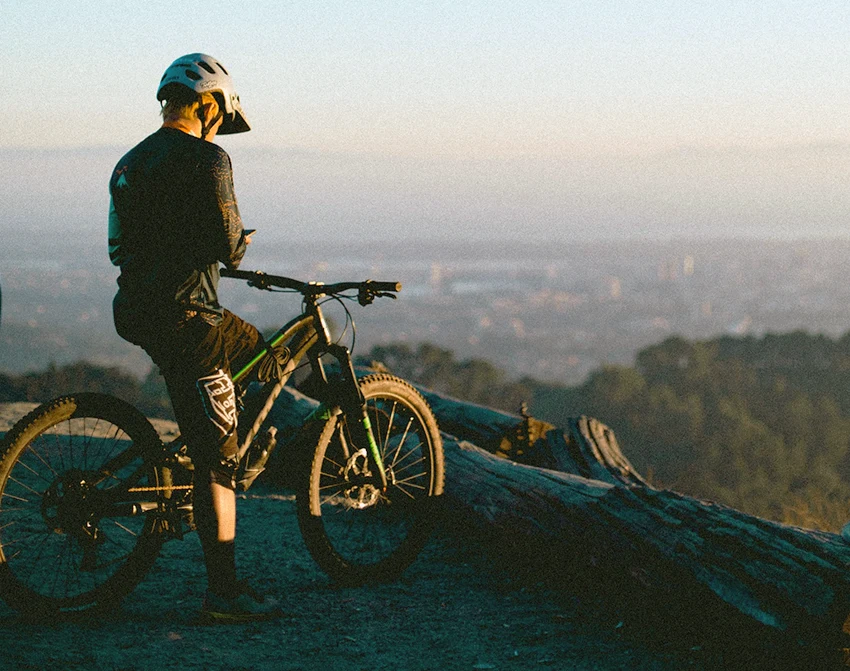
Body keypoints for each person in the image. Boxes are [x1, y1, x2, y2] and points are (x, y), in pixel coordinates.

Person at [108, 53, 280, 621]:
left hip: (134, 308)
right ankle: (224, 594)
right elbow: (229, 246)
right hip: (187, 315)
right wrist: (239, 243)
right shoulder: (209, 158)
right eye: (220, 116)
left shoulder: (129, 163)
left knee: (244, 354)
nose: (219, 128)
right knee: (219, 456)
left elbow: (121, 248)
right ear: (208, 105)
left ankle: (215, 430)